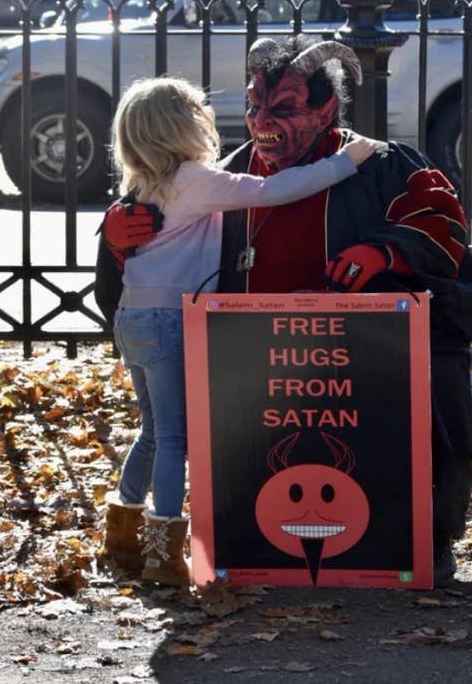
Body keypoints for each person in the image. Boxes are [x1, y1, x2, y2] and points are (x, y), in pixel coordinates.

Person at [102, 38, 472, 587]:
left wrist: (385, 251)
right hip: (256, 375)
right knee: (172, 430)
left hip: (362, 372)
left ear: (327, 110)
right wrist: (117, 236)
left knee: (438, 378)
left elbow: (441, 220)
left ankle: (424, 536)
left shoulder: (381, 164)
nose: (261, 121)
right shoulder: (222, 176)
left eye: (283, 108)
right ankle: (197, 538)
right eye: (255, 106)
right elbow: (151, 225)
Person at [95, 75, 378, 585]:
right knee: (174, 436)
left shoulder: (142, 181)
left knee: (152, 431)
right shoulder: (193, 179)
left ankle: (122, 530)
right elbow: (276, 189)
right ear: (184, 127)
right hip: (169, 321)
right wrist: (345, 161)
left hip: (133, 319)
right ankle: (163, 548)